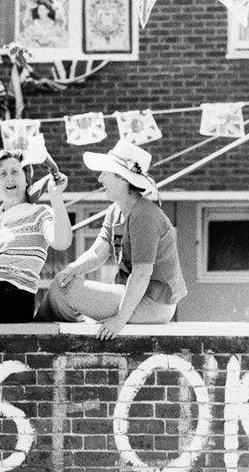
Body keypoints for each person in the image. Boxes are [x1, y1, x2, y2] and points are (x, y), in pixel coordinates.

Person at [37, 140, 187, 339]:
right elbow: (98, 253)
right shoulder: (115, 211)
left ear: (122, 179)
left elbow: (142, 273)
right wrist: (72, 269)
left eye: (105, 174)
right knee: (63, 282)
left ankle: (33, 337)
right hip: (135, 295)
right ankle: (44, 335)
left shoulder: (144, 216)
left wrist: (118, 321)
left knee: (65, 290)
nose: (100, 179)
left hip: (154, 303)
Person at [0, 149, 72, 336]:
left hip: (16, 300)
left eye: (15, 172)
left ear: (27, 178)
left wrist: (56, 196)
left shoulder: (40, 213)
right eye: (2, 174)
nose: (9, 178)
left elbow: (62, 242)